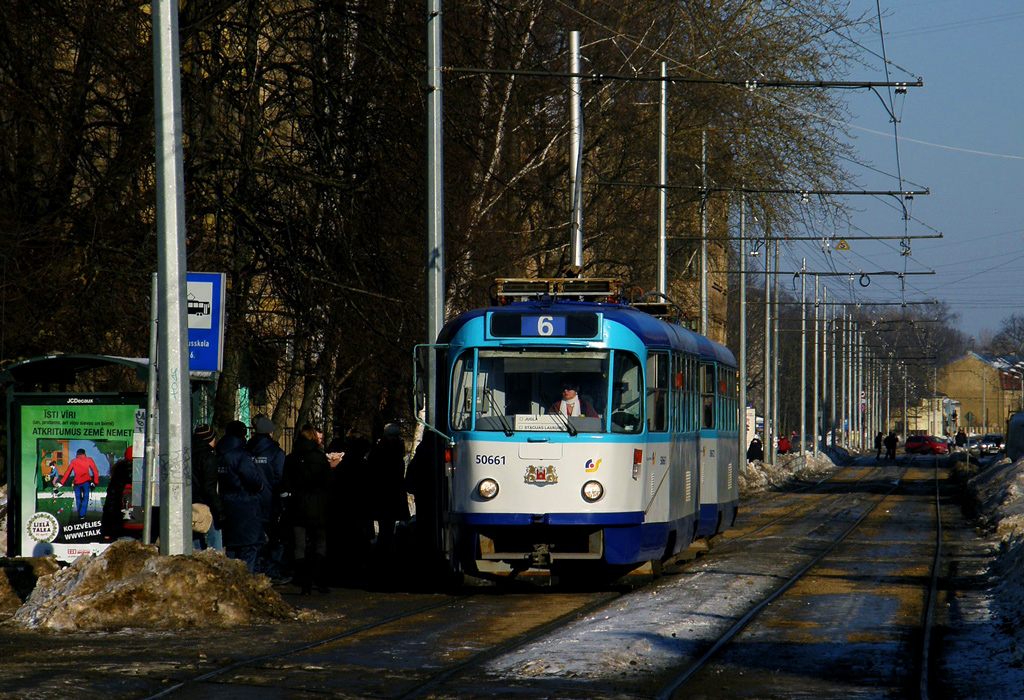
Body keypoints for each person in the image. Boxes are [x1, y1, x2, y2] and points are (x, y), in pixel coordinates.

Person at [283, 423, 340, 594]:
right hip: (318, 506)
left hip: (297, 506)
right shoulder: (320, 458)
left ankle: (303, 581)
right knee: (319, 543)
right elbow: (328, 483)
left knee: (299, 545)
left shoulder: (291, 458)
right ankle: (316, 578)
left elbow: (285, 483)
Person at [217, 420, 265, 573]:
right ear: (243, 435)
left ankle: (231, 584)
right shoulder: (241, 455)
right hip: (245, 504)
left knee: (232, 549)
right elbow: (252, 480)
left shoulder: (218, 453)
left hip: (226, 502)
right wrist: (260, 486)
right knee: (249, 548)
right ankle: (246, 584)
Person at [247, 416, 287, 580]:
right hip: (270, 500)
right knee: (275, 538)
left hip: (250, 500)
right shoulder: (275, 452)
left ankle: (256, 569)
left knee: (254, 538)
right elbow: (280, 478)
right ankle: (272, 572)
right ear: (271, 432)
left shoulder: (247, 450)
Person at [368, 423, 411, 558]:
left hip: (391, 494)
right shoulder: (381, 451)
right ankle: (383, 552)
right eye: (391, 436)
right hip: (384, 494)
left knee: (388, 526)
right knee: (385, 526)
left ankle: (384, 552)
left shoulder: (395, 451)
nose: (393, 438)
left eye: (395, 436)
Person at [192, 424, 225, 552]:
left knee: (195, 550)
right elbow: (209, 488)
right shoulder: (208, 458)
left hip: (191, 508)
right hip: (205, 509)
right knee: (214, 549)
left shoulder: (187, 454)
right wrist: (219, 512)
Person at [101, 448, 135, 541]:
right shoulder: (151, 474)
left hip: (124, 526)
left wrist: (107, 531)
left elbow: (111, 504)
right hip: (149, 528)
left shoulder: (118, 474)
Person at [60, 448, 100, 519]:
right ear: (84, 454)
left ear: (77, 454)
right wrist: (95, 482)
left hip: (77, 483)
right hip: (86, 482)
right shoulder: (89, 460)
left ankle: (79, 514)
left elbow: (68, 472)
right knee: (85, 498)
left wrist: (62, 482)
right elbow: (95, 471)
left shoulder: (74, 461)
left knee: (78, 498)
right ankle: (82, 514)